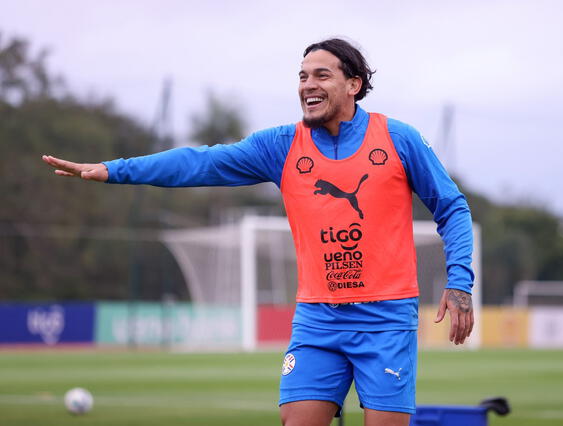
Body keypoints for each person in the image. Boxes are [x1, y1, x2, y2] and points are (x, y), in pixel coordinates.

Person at [42, 38, 474, 426]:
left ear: (353, 85)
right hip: (318, 319)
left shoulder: (398, 139)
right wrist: (115, 170)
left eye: (322, 75)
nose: (308, 84)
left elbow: (452, 207)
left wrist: (459, 283)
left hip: (385, 319)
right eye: (302, 76)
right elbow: (200, 162)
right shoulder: (281, 146)